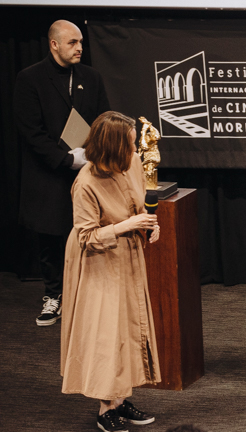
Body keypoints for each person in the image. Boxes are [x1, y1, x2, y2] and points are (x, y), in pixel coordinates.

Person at [60, 111, 161, 432]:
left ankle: (120, 396)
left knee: (131, 326)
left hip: (127, 254)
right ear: (113, 148)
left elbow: (137, 202)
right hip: (98, 262)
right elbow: (86, 236)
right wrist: (128, 225)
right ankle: (106, 408)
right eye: (129, 145)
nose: (135, 151)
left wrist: (148, 224)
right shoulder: (86, 184)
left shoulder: (128, 163)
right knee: (107, 333)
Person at [13, 19, 110, 326]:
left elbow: (103, 119)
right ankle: (53, 295)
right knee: (50, 240)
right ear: (54, 44)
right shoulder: (30, 79)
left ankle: (86, 297)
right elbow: (30, 131)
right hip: (48, 174)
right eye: (72, 42)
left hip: (87, 174)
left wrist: (92, 154)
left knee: (87, 235)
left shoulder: (91, 77)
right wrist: (66, 159)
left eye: (81, 42)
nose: (79, 47)